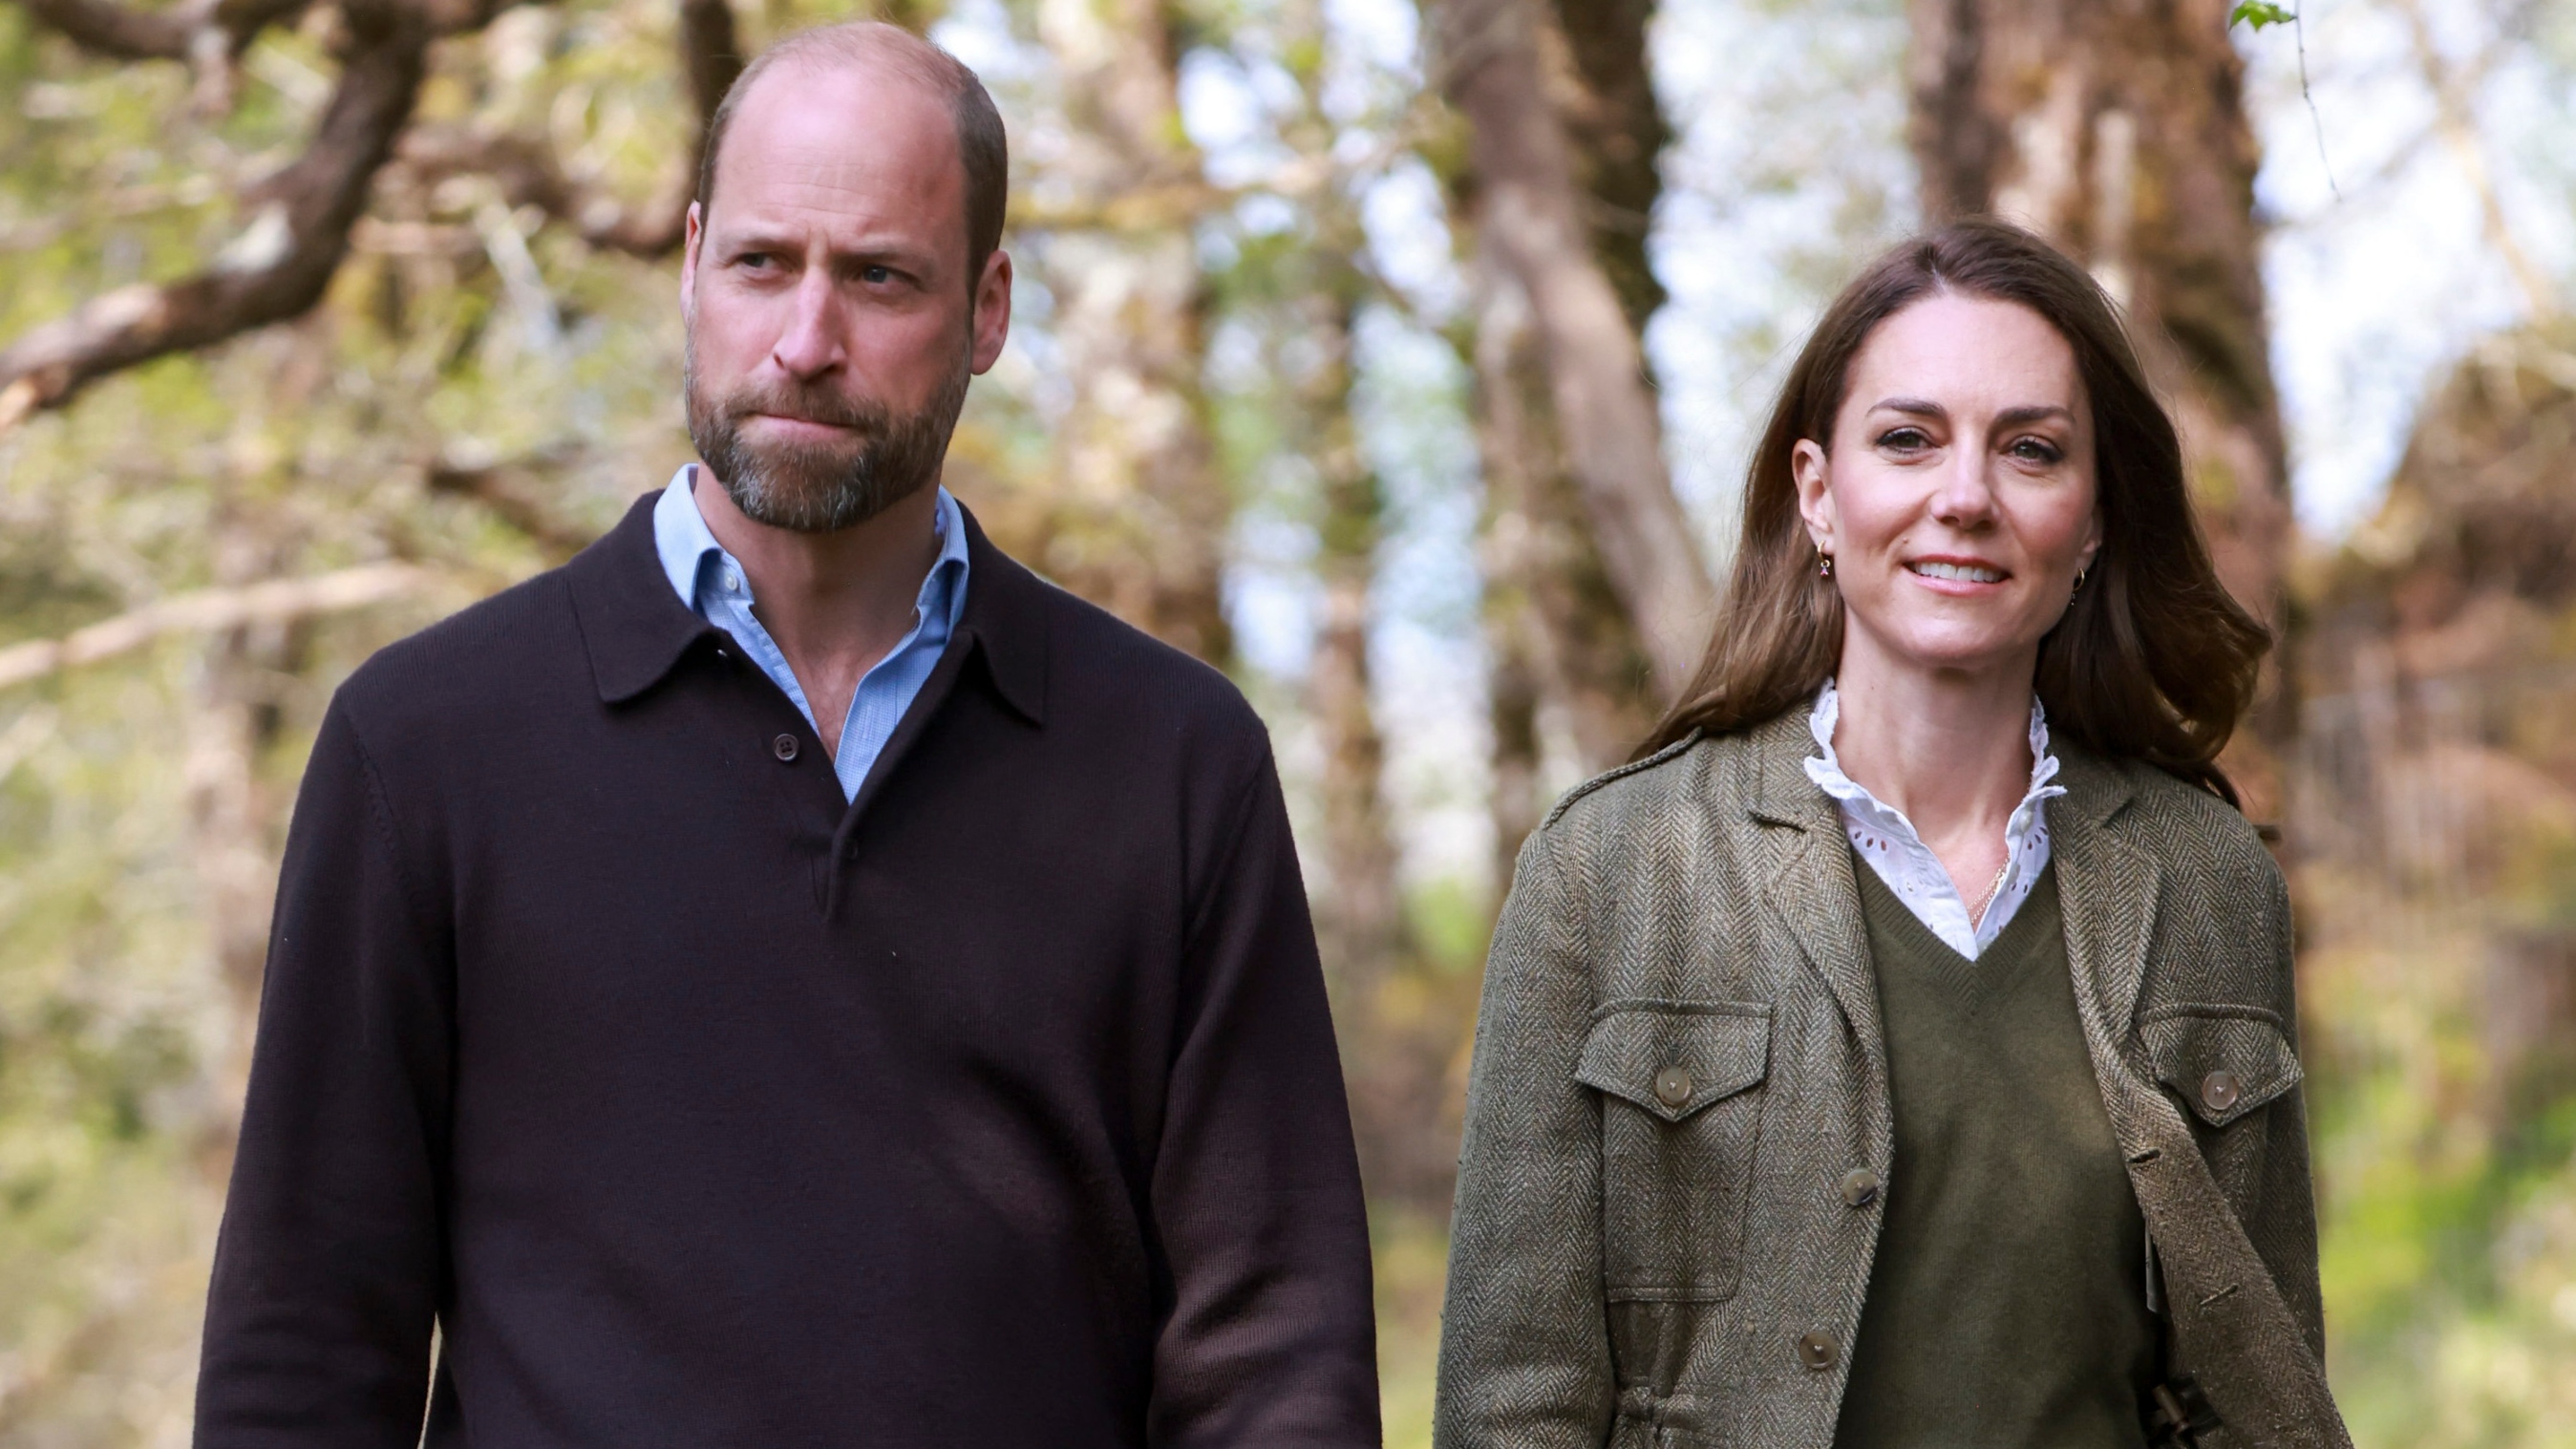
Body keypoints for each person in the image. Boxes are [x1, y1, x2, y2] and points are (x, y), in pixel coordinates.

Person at [194, 22, 1378, 1447]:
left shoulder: (1177, 762)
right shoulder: (425, 746)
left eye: (880, 277)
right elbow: (304, 1352)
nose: (807, 343)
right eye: (764, 263)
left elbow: (1277, 1359)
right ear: (692, 264)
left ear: (988, 310)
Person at [1434, 220, 2348, 1449]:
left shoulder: (2209, 884)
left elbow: (2255, 1395)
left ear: (2089, 521)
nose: (1962, 497)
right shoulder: (1612, 870)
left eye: (2029, 450)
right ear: (1819, 491)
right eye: (1907, 439)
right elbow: (1513, 1408)